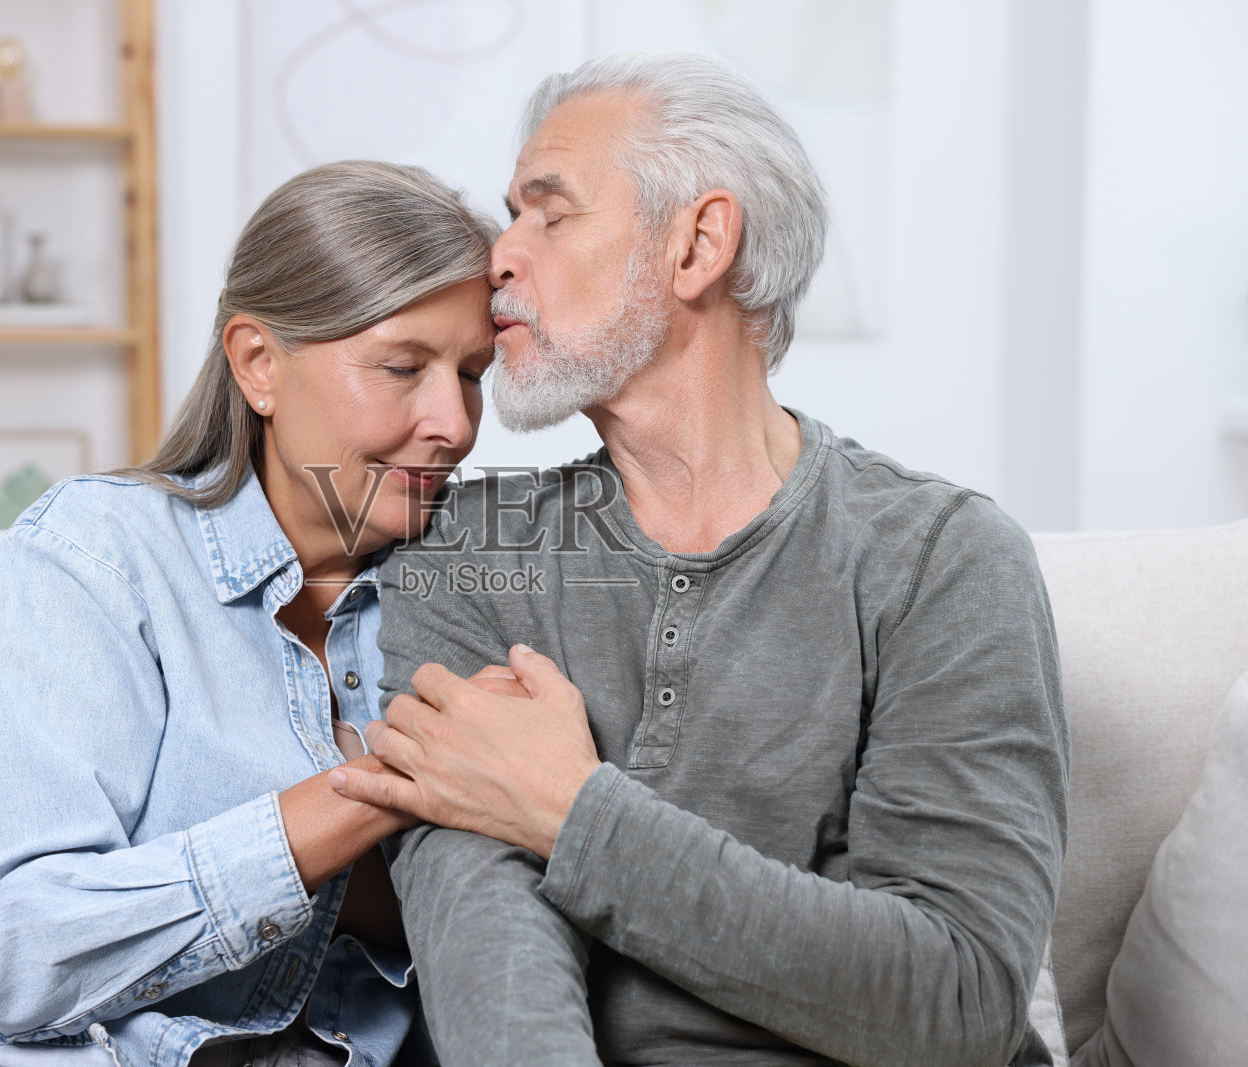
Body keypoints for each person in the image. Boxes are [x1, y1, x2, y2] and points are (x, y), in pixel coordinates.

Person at [329, 53, 1071, 1066]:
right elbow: (490, 960)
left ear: (698, 244)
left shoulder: (944, 560)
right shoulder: (462, 550)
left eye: (550, 214)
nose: (498, 256)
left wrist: (569, 809)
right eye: (510, 216)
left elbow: (956, 1000)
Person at [0, 160, 499, 1067]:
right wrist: (376, 792)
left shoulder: (479, 603)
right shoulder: (98, 555)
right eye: (403, 367)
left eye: (473, 374)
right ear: (259, 364)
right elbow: (17, 952)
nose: (455, 424)